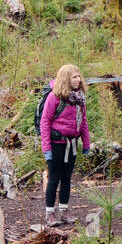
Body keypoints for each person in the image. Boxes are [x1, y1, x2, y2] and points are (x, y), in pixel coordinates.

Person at [40, 64, 91, 227]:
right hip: (56, 143)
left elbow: (83, 121)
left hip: (72, 143)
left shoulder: (79, 98)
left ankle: (64, 211)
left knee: (67, 178)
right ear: (66, 79)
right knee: (54, 178)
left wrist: (86, 143)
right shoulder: (54, 97)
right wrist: (46, 149)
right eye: (74, 77)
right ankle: (49, 213)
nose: (78, 79)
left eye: (79, 76)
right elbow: (45, 122)